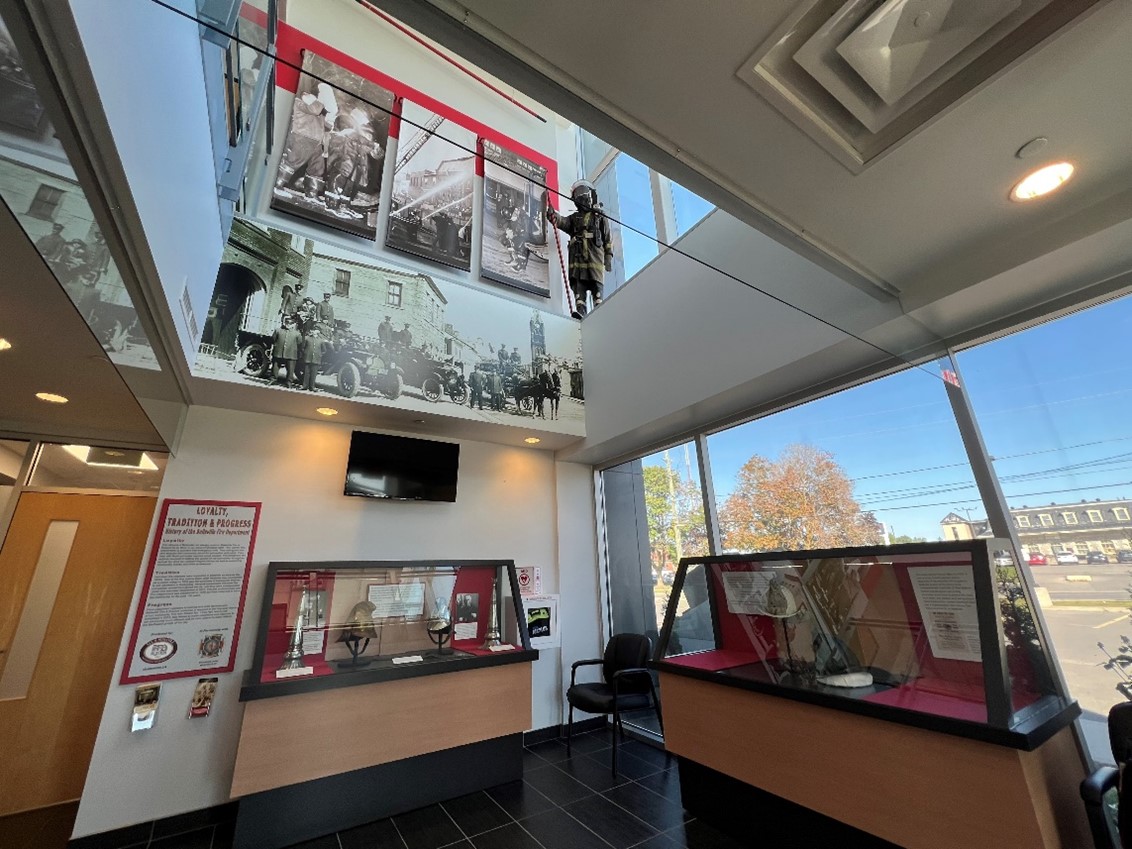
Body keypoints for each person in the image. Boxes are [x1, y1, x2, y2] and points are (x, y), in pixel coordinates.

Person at [547, 179, 614, 319]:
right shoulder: (574, 217)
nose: (582, 196)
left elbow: (607, 237)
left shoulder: (599, 216)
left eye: (584, 193)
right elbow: (563, 222)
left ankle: (599, 306)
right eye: (579, 194)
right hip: (577, 255)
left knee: (596, 282)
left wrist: (608, 256)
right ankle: (581, 310)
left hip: (595, 254)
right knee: (579, 283)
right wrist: (554, 216)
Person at [275, 82, 335, 199]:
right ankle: (278, 185)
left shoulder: (318, 106)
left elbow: (327, 125)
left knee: (317, 168)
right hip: (303, 136)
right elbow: (315, 109)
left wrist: (330, 117)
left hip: (316, 141)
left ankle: (312, 193)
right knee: (293, 162)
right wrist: (321, 101)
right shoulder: (301, 100)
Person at [271, 316, 302, 386]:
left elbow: (299, 343)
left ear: (294, 324)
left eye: (291, 323)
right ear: (284, 323)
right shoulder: (278, 330)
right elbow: (273, 339)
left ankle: (289, 382)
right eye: (287, 323)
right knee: (275, 367)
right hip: (279, 352)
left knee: (290, 369)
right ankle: (273, 379)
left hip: (291, 354)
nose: (288, 324)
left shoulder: (297, 333)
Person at [300, 326, 322, 391]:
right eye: (312, 330)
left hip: (316, 359)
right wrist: (306, 353)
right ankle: (304, 386)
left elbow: (323, 349)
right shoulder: (307, 338)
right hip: (308, 358)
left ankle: (312, 387)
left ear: (318, 332)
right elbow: (303, 347)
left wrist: (319, 354)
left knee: (314, 374)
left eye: (314, 330)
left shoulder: (320, 340)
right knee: (306, 373)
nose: (312, 331)